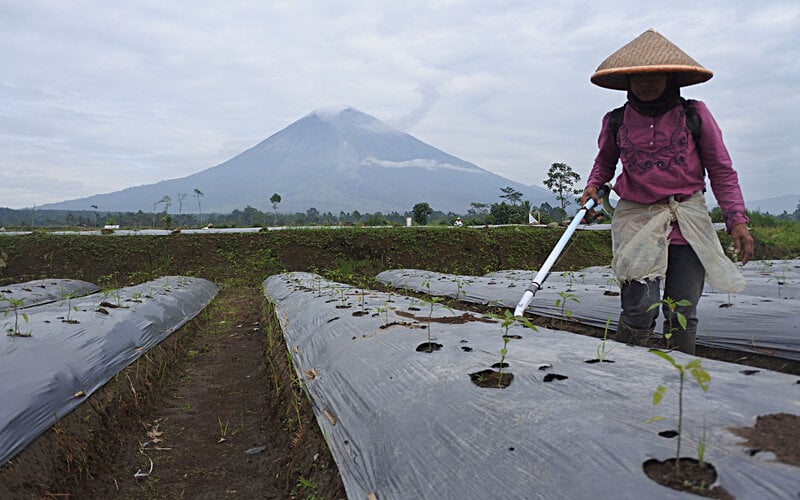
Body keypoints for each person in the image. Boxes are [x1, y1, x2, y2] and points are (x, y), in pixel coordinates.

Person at [579, 29, 754, 354]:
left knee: (682, 310)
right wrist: (592, 185)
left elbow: (721, 170)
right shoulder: (617, 121)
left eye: (655, 76)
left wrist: (736, 219)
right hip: (637, 221)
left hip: (687, 221)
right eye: (639, 77)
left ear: (670, 77)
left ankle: (678, 384)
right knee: (638, 310)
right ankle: (625, 378)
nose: (646, 83)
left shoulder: (694, 115)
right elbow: (604, 163)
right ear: (628, 81)